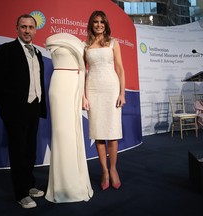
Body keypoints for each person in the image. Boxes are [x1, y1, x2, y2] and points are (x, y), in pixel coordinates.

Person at [0, 14, 47, 208]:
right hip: (16, 111)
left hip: (34, 108)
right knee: (18, 152)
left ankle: (29, 185)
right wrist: (8, 108)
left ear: (35, 30)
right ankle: (21, 193)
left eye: (31, 27)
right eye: (23, 27)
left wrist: (39, 105)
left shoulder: (38, 53)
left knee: (30, 150)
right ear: (17, 28)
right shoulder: (6, 50)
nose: (27, 30)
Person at [44, 33, 94, 203]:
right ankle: (61, 186)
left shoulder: (81, 44)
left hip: (75, 86)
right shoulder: (53, 40)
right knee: (61, 134)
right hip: (60, 86)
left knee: (74, 135)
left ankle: (77, 183)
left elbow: (83, 70)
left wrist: (83, 96)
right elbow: (49, 43)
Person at [82, 10, 126, 190]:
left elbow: (120, 69)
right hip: (93, 89)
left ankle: (113, 169)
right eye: (95, 22)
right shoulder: (84, 45)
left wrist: (122, 93)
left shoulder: (113, 42)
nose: (99, 24)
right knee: (99, 133)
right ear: (91, 24)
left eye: (102, 22)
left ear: (106, 24)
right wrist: (83, 96)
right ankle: (104, 172)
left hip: (111, 89)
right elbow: (82, 71)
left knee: (113, 132)